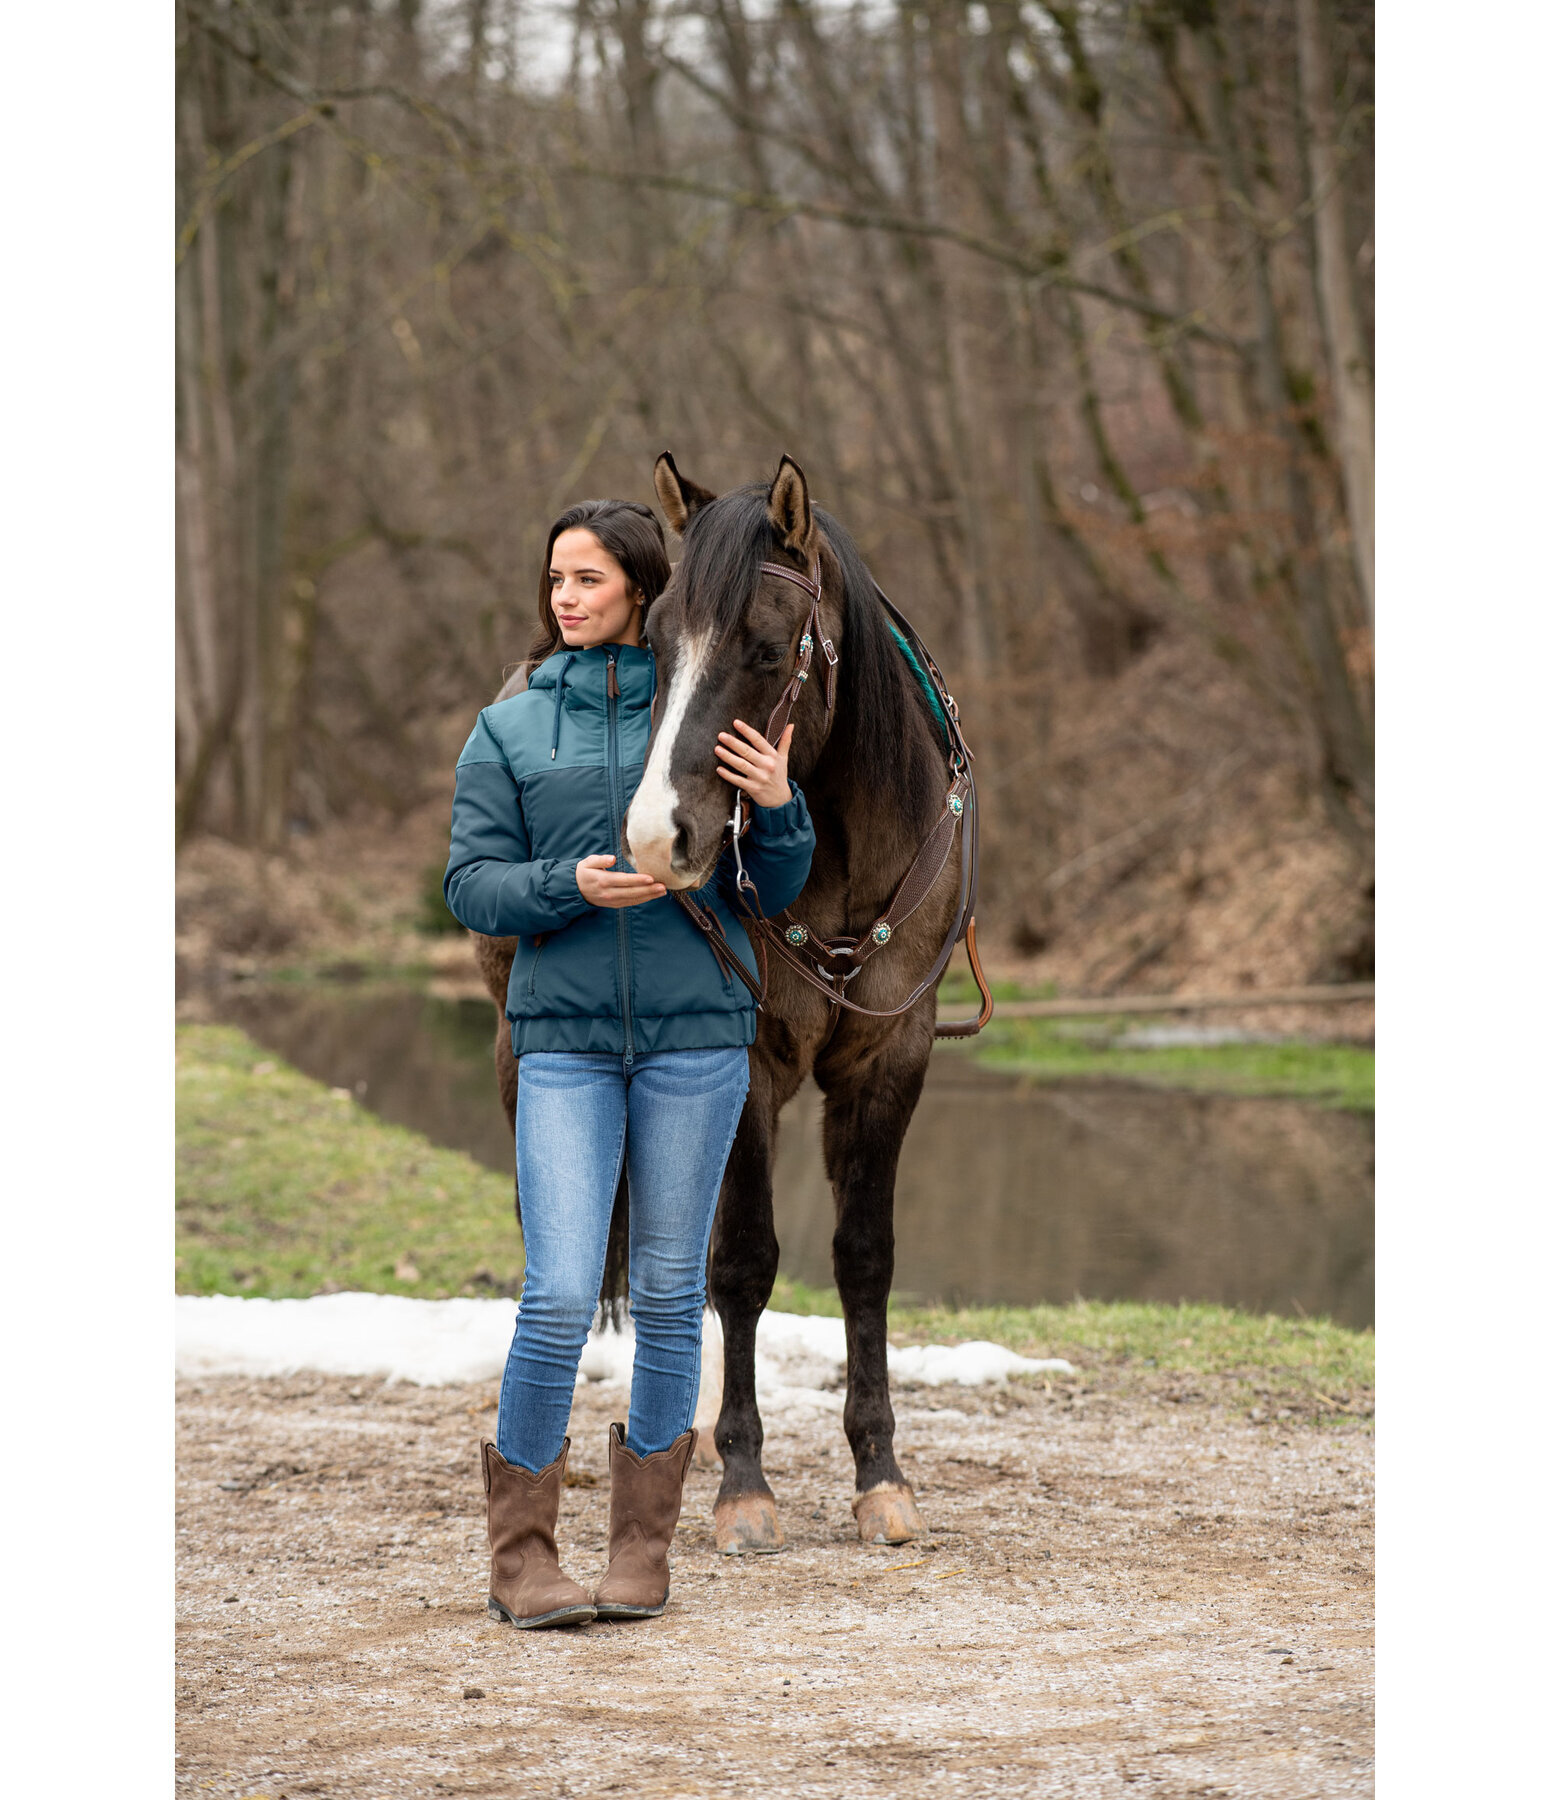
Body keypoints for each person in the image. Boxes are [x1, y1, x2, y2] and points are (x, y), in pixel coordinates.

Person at [443, 498, 815, 1628]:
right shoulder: (507, 728)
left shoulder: (694, 710)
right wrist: (567, 889)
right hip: (561, 1044)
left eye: (588, 579)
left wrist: (780, 806)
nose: (564, 596)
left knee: (666, 1294)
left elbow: (772, 889)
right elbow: (468, 886)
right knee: (556, 1293)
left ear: (642, 593)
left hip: (696, 1041)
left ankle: (640, 1549)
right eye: (554, 577)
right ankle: (521, 1560)